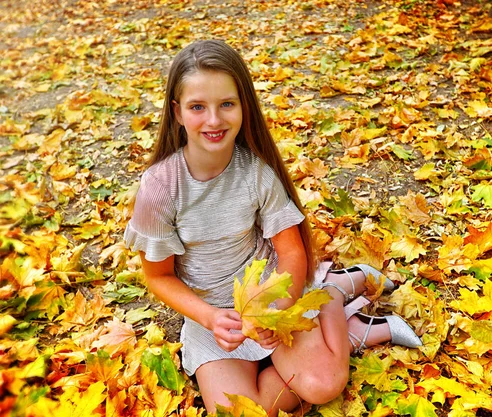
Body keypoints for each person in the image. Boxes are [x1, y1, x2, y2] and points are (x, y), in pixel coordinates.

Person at [124, 39, 422, 415]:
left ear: (243, 107)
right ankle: (333, 323)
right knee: (241, 411)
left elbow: (291, 251)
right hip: (214, 317)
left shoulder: (254, 174)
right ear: (178, 112)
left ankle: (333, 300)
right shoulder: (160, 188)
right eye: (198, 107)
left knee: (321, 385)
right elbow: (159, 277)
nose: (214, 120)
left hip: (271, 296)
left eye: (226, 104)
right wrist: (210, 317)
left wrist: (277, 309)